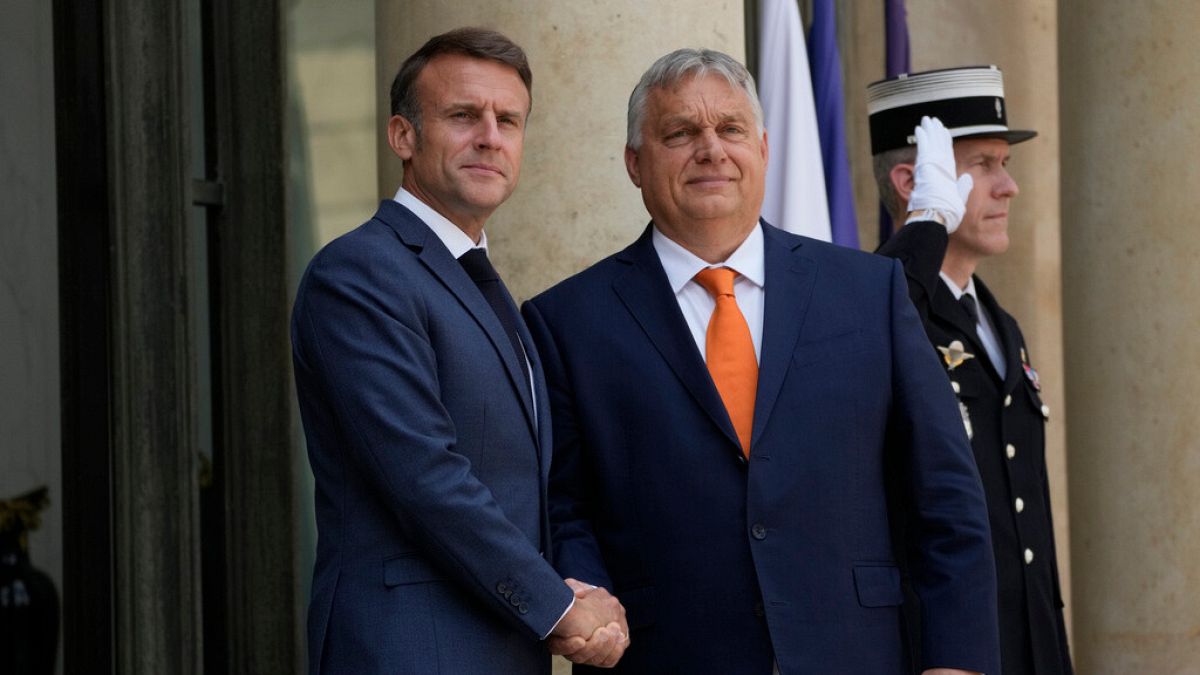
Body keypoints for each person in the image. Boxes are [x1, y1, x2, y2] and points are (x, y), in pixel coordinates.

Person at [522, 48, 999, 674]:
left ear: (764, 150)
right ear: (636, 164)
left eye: (730, 129)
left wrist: (957, 663)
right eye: (680, 133)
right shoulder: (565, 322)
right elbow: (563, 508)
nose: (711, 150)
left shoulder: (868, 292)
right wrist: (583, 592)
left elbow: (947, 500)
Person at [291, 27, 628, 674]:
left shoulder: (478, 281)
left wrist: (570, 584)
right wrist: (557, 606)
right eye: (463, 115)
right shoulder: (361, 274)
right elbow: (426, 477)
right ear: (403, 136)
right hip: (409, 648)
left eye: (509, 120)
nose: (490, 137)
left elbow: (516, 485)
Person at [871, 66, 1073, 674]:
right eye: (983, 165)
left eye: (1004, 164)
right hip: (943, 652)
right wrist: (926, 223)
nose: (1008, 186)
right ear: (913, 181)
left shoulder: (999, 323)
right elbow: (863, 328)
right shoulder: (886, 308)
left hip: (1026, 644)